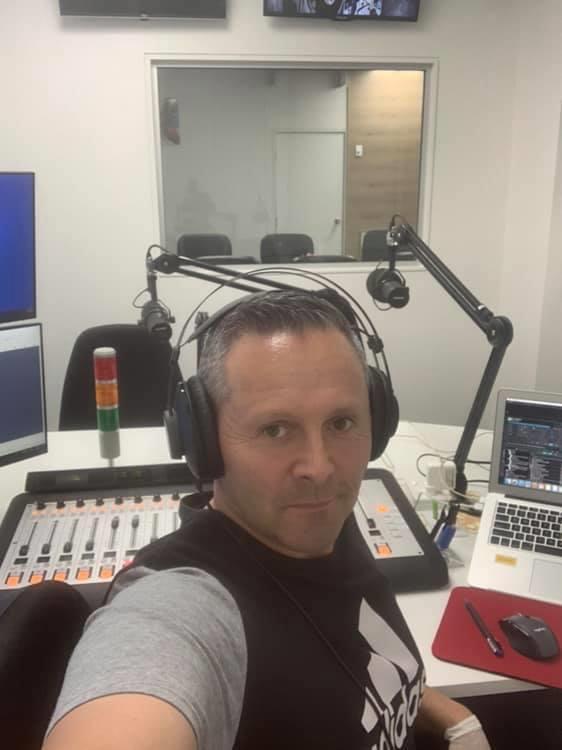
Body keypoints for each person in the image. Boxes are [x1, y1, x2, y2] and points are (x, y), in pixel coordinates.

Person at [43, 291, 490, 750]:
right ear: (203, 442)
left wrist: (454, 715)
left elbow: (364, 667)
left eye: (340, 423)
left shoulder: (327, 523)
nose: (319, 467)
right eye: (275, 429)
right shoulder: (185, 605)